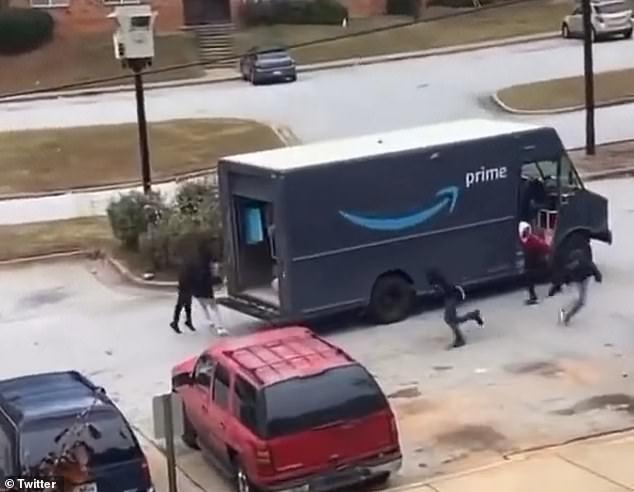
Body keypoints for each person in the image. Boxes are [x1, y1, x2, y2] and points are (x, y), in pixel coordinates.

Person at [426, 269, 484, 349]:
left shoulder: (440, 283)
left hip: (452, 297)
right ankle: (473, 315)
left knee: (449, 319)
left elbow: (448, 291)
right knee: (452, 319)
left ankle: (460, 339)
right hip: (450, 297)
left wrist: (438, 293)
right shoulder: (439, 282)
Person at [548, 248, 602, 325]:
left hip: (583, 280)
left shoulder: (584, 263)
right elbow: (563, 275)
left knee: (581, 301)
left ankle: (566, 315)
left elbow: (594, 268)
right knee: (579, 301)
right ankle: (564, 314)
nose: (574, 264)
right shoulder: (571, 267)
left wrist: (598, 277)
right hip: (577, 281)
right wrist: (556, 287)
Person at [191, 246, 227, 336]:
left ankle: (209, 320)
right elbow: (215, 276)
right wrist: (222, 282)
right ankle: (220, 328)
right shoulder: (209, 266)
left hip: (195, 289)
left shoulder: (194, 263)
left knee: (203, 305)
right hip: (205, 289)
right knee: (214, 308)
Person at [518, 221, 550, 305]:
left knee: (530, 278)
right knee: (529, 279)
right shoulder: (524, 239)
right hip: (530, 261)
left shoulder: (532, 239)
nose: (527, 232)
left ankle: (533, 297)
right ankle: (533, 296)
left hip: (535, 260)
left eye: (527, 230)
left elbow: (544, 246)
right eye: (525, 230)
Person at [170, 259, 196, 334]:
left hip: (188, 289)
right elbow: (182, 280)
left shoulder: (187, 270)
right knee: (180, 306)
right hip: (184, 290)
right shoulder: (184, 271)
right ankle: (175, 323)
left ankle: (188, 321)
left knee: (187, 306)